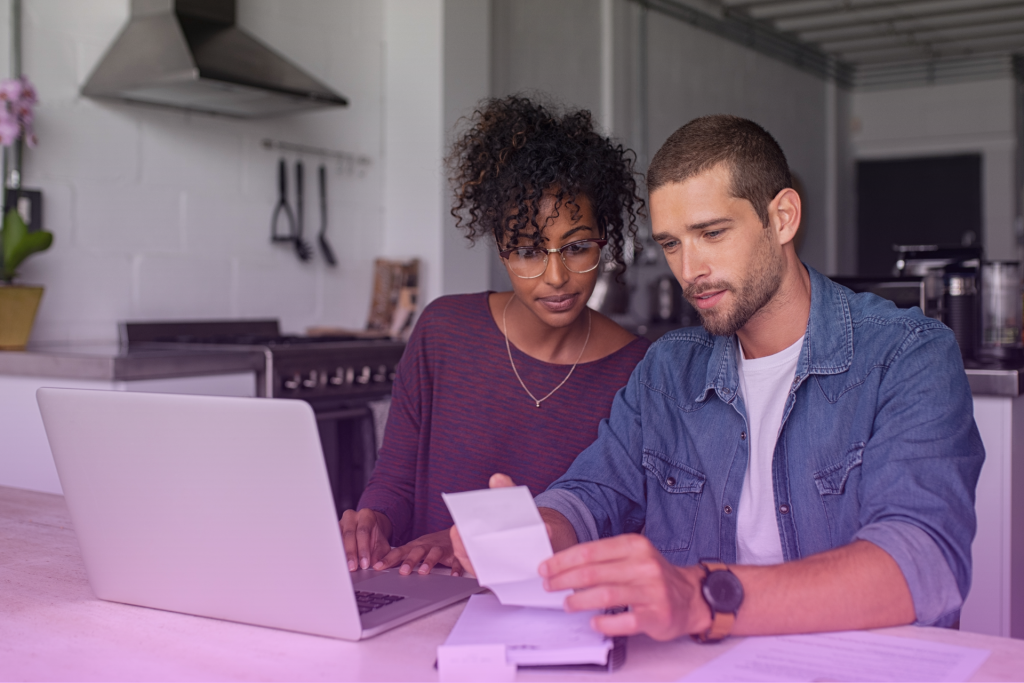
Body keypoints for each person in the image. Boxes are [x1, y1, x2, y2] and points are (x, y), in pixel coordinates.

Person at [453, 114, 984, 641]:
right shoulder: (667, 371)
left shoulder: (907, 354)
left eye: (711, 233)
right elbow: (593, 492)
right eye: (672, 243)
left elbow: (924, 563)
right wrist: (539, 529)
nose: (689, 269)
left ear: (783, 218)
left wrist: (705, 597)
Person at [340, 96, 651, 577]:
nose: (555, 276)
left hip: (548, 617)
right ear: (502, 252)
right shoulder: (443, 331)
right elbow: (396, 481)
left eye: (577, 247)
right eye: (527, 250)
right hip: (421, 599)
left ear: (604, 242)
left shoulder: (638, 371)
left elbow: (616, 524)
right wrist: (373, 522)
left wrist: (466, 543)